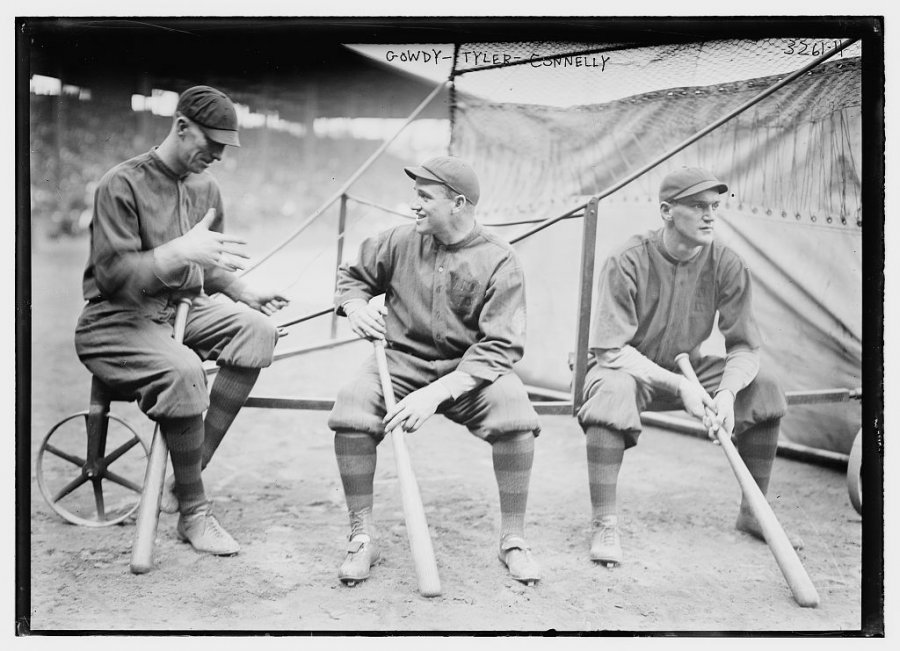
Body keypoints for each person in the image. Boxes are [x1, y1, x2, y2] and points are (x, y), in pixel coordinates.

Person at [74, 86, 288, 556]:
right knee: (185, 372)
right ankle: (194, 511)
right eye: (209, 142)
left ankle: (185, 475)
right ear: (182, 126)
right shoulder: (121, 183)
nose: (216, 155)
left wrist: (242, 290)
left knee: (258, 333)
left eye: (223, 146)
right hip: (118, 318)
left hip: (183, 310)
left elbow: (206, 266)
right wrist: (176, 253)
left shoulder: (206, 188)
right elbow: (113, 277)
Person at [327, 156, 542, 585]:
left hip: (469, 371)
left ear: (458, 204)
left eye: (425, 197)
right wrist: (353, 306)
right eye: (416, 196)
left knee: (515, 412)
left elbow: (500, 345)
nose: (415, 205)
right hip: (400, 362)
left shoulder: (500, 260)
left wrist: (437, 392)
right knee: (352, 403)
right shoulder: (399, 240)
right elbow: (352, 277)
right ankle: (363, 535)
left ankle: (513, 539)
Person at [576, 166, 799, 566]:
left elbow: (745, 347)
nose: (710, 215)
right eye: (697, 206)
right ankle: (604, 522)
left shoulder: (727, 263)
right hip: (628, 371)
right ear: (666, 211)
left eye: (714, 205)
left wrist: (727, 394)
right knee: (611, 391)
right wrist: (680, 386)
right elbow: (610, 351)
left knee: (763, 385)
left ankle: (754, 512)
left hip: (690, 371)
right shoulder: (627, 259)